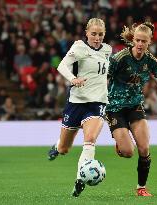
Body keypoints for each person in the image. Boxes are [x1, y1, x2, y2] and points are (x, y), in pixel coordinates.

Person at [105, 22, 157, 197]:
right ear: (133, 40)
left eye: (143, 41)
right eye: (137, 40)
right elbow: (104, 79)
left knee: (144, 149)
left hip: (135, 106)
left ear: (149, 42)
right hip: (114, 108)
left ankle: (141, 188)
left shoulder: (150, 60)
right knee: (128, 152)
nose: (139, 44)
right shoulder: (119, 58)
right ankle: (121, 143)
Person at [47, 18, 112, 197]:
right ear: (86, 33)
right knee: (64, 149)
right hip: (76, 102)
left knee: (90, 138)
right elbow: (61, 66)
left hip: (98, 102)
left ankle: (79, 181)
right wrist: (73, 79)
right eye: (93, 34)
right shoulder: (79, 47)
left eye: (100, 34)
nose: (97, 38)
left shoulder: (108, 50)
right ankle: (57, 146)